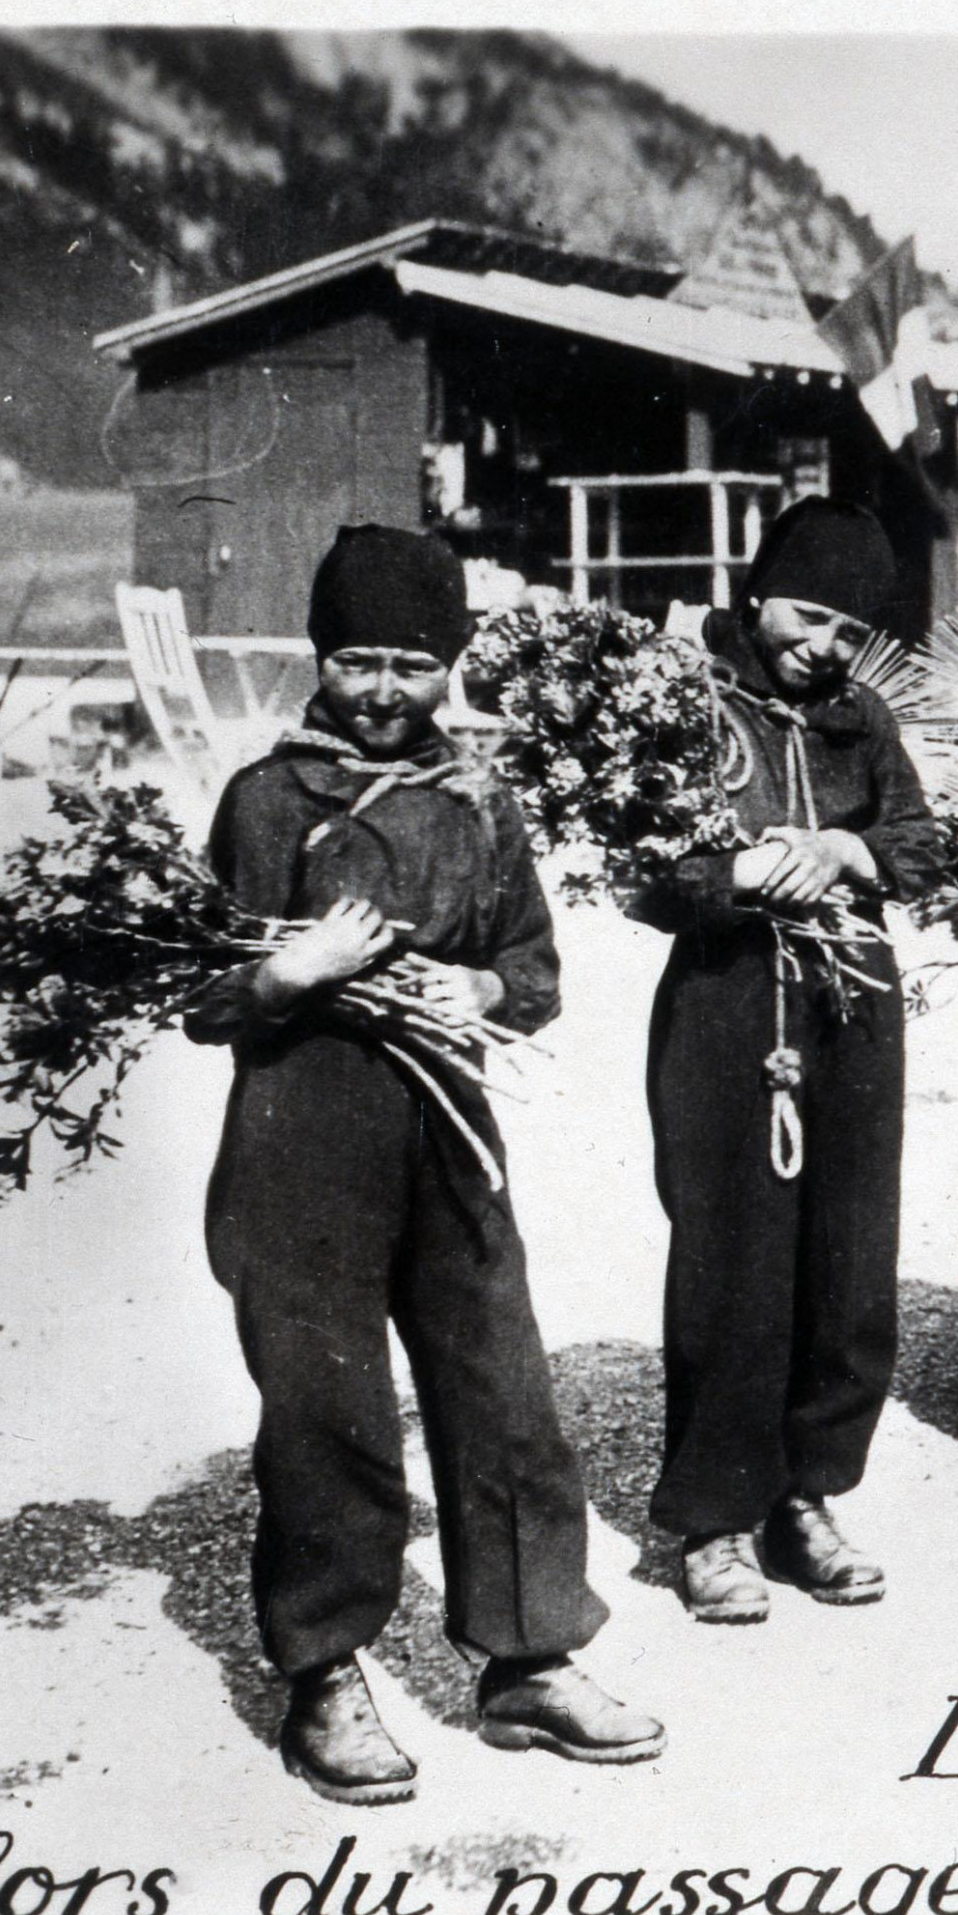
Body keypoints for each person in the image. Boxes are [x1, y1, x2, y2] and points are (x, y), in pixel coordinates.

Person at [185, 525, 660, 1805]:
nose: (383, 690)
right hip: (302, 1126)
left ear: (449, 664)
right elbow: (201, 995)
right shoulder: (267, 799)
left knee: (500, 1384)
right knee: (324, 1403)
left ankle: (529, 1657)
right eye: (357, 661)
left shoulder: (478, 801)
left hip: (448, 1128)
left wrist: (480, 986)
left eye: (411, 663)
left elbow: (534, 969)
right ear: (318, 657)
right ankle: (323, 1668)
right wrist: (286, 974)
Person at [632, 498, 944, 1621]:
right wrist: (740, 873)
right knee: (732, 1258)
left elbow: (925, 842)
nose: (824, 645)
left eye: (848, 630)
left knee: (847, 1256)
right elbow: (640, 867)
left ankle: (806, 1496)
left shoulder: (862, 716)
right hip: (728, 1000)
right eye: (808, 615)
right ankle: (714, 1518)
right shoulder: (685, 698)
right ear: (758, 591)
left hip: (852, 1000)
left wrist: (845, 846)